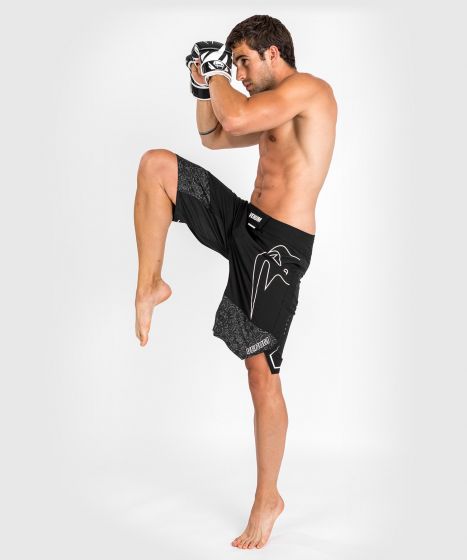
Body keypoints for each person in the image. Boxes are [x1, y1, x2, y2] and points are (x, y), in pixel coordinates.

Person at [134, 14, 337, 549]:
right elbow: (215, 137)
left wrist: (219, 75)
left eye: (244, 62)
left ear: (273, 53)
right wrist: (202, 84)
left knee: (260, 374)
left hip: (278, 249)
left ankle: (268, 498)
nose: (241, 74)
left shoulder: (309, 91)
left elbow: (239, 115)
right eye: (235, 66)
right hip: (245, 223)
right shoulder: (269, 106)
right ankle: (150, 283)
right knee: (156, 166)